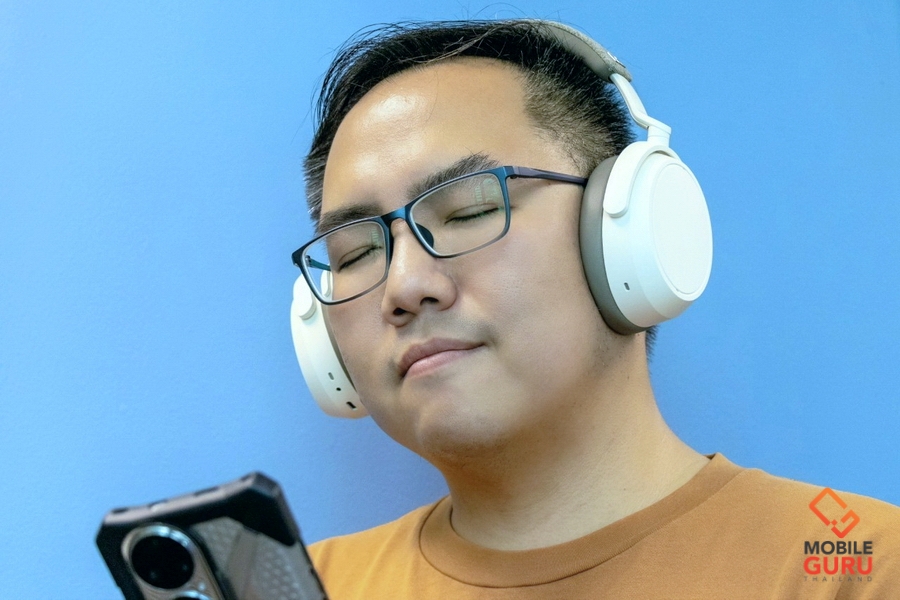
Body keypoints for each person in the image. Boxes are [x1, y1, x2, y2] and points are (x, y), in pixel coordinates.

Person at [291, 19, 900, 599]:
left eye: (470, 210)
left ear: (626, 232)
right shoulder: (294, 586)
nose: (404, 286)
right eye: (356, 253)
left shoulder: (858, 570)